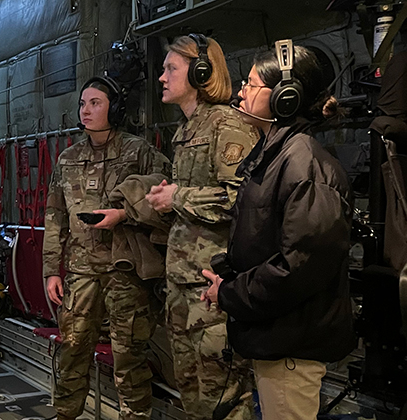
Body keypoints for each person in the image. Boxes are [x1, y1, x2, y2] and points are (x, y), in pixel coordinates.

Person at [202, 40, 355, 420]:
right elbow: (267, 240)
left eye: (251, 84)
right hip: (276, 338)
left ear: (285, 98)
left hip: (291, 347)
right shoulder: (280, 155)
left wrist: (231, 293)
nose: (241, 90)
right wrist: (228, 270)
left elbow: (298, 268)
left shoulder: (304, 165)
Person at [43, 75, 171, 420]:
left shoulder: (139, 153)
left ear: (114, 108)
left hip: (125, 270)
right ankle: (66, 413)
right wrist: (51, 270)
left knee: (129, 356)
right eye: (83, 103)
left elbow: (166, 206)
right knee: (72, 351)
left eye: (95, 103)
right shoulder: (68, 158)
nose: (86, 110)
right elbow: (54, 216)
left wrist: (123, 215)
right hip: (81, 271)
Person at [145, 34, 258, 420]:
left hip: (213, 291)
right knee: (194, 398)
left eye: (170, 69)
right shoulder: (188, 129)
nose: (162, 77)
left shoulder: (226, 125)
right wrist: (169, 198)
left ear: (200, 72)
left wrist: (177, 197)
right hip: (184, 289)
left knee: (223, 400)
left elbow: (241, 201)